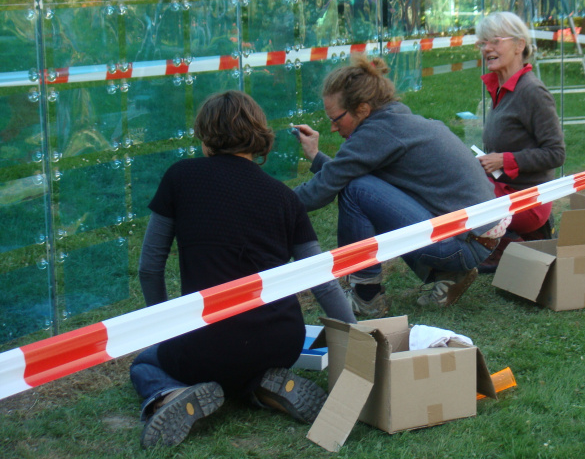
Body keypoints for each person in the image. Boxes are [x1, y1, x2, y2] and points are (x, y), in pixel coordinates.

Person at [129, 91, 356, 448]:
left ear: (205, 135)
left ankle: (169, 397)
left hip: (203, 344)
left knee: (145, 363)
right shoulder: (284, 197)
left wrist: (165, 328)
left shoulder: (180, 177)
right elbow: (323, 283)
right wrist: (362, 341)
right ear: (259, 137)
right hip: (281, 342)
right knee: (246, 365)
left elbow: (149, 267)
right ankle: (260, 388)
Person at [292, 56, 508, 317]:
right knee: (364, 187)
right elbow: (346, 172)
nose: (332, 126)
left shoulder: (377, 133)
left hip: (463, 244)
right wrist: (317, 157)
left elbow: (322, 190)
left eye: (337, 119)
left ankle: (366, 296)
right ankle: (448, 274)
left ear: (362, 109)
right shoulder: (393, 120)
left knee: (355, 190)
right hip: (476, 237)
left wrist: (269, 201)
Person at [473, 12, 566, 273]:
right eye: (483, 43)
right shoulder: (500, 88)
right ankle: (507, 241)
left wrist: (504, 160)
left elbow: (556, 153)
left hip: (528, 201)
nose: (487, 49)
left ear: (519, 45)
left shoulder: (532, 92)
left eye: (494, 41)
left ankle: (506, 244)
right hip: (504, 189)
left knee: (460, 195)